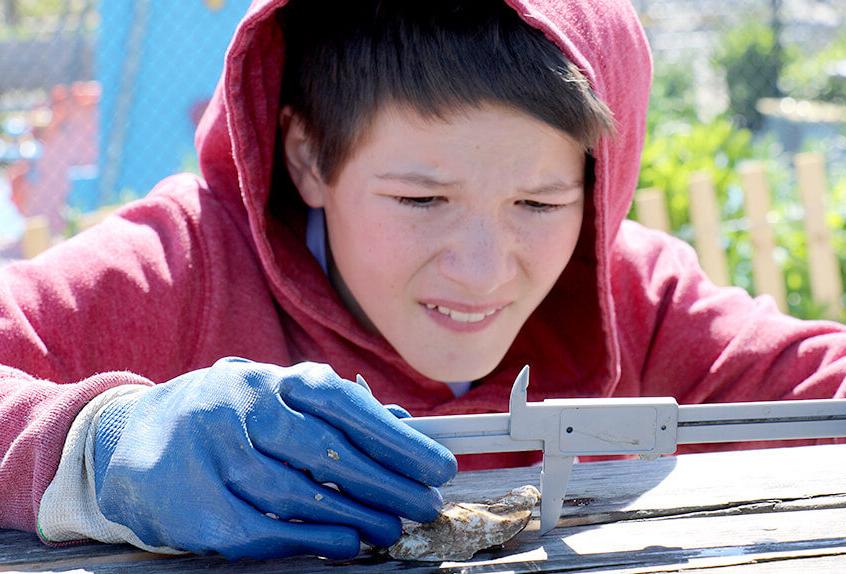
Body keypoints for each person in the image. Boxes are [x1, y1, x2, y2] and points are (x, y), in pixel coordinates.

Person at [1, 0, 844, 562]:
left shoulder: (634, 300)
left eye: (539, 203)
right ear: (307, 156)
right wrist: (98, 447)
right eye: (421, 198)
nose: (482, 269)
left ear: (601, 186)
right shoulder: (178, 267)